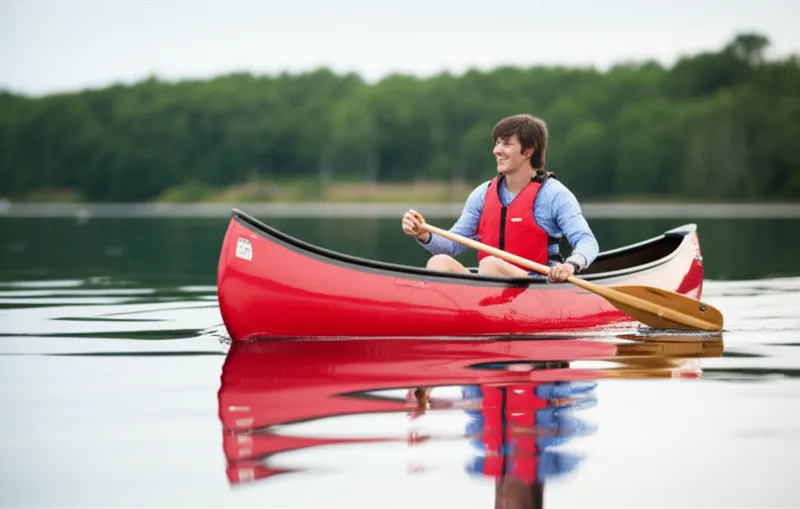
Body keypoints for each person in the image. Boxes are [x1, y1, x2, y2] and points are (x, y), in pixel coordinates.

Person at [401, 114, 598, 283]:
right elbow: (451, 245)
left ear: (528, 151)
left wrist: (571, 265)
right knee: (439, 262)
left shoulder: (555, 195)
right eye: (497, 143)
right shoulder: (482, 194)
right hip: (489, 285)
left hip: (536, 285)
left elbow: (586, 241)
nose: (497, 150)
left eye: (506, 144)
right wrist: (423, 234)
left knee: (490, 264)